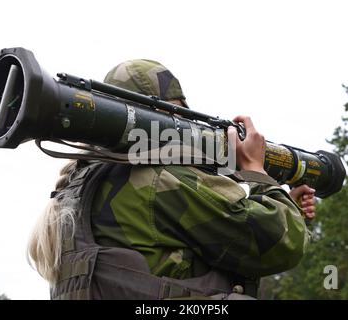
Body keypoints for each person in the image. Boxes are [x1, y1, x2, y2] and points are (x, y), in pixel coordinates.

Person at [27, 59, 316, 300]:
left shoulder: (73, 189)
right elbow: (281, 245)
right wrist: (256, 171)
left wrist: (280, 202)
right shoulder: (157, 179)